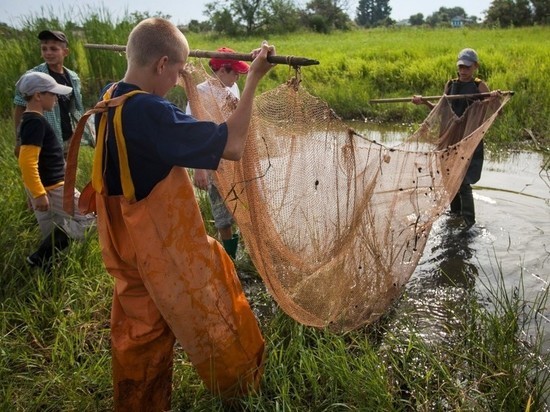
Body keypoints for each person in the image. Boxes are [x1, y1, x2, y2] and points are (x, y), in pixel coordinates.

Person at [87, 18, 275, 410]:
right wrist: (254, 78)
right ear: (160, 64)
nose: (177, 81)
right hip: (164, 252)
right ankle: (242, 391)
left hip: (123, 249)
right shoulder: (150, 111)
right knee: (219, 311)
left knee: (139, 337)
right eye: (175, 72)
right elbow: (234, 145)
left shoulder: (109, 99)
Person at [15, 71, 96, 272]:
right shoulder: (35, 122)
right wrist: (39, 193)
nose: (56, 97)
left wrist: (33, 191)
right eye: (52, 93)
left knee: (49, 228)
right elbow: (27, 161)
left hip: (42, 187)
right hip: (54, 186)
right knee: (93, 218)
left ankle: (44, 264)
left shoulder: (30, 120)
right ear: (38, 95)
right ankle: (47, 251)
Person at [412, 48, 497, 230]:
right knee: (450, 179)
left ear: (475, 66)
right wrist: (424, 101)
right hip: (450, 139)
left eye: (467, 67)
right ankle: (454, 215)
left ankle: (468, 223)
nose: (463, 71)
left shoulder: (479, 86)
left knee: (464, 181)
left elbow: (495, 108)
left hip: (469, 140)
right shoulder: (450, 85)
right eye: (461, 67)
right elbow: (442, 109)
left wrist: (494, 98)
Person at [185, 47, 250, 259]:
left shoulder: (233, 90)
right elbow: (194, 133)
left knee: (241, 205)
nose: (237, 79)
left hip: (233, 159)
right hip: (212, 160)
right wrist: (200, 169)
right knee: (221, 211)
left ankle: (240, 252)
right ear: (222, 70)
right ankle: (230, 259)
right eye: (235, 74)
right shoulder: (199, 93)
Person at [13, 29, 92, 159]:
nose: (48, 53)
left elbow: (74, 109)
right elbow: (19, 107)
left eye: (54, 49)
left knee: (66, 175)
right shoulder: (33, 77)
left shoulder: (73, 78)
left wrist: (77, 134)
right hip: (42, 140)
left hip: (66, 138)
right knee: (45, 175)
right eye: (44, 49)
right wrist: (19, 141)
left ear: (65, 52)